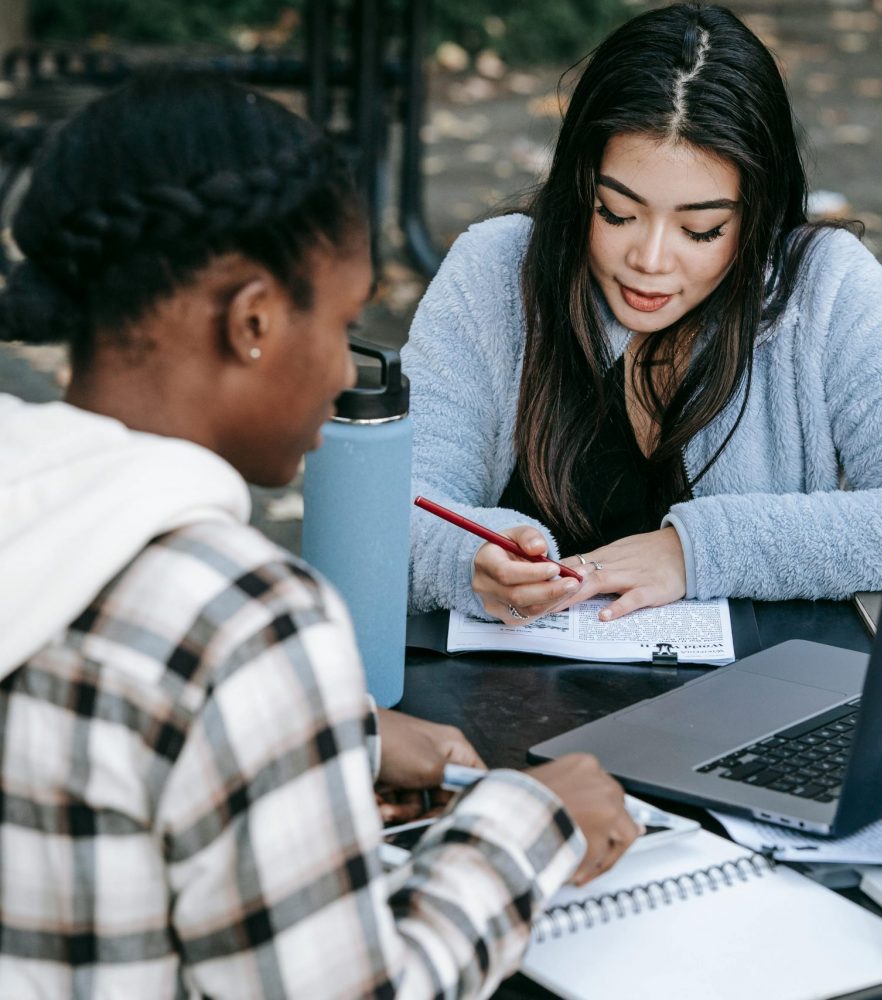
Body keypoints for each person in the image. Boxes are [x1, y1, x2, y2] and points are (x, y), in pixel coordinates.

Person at [0, 72, 639, 998]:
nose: (346, 367)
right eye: (342, 324)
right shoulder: (244, 618)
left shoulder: (32, 506)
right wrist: (528, 825)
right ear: (252, 319)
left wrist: (337, 736)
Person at [404, 2, 882, 627]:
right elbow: (390, 508)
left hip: (751, 709)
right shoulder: (496, 272)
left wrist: (697, 552)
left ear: (757, 215)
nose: (651, 260)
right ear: (580, 186)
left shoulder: (824, 288)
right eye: (617, 213)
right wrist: (469, 557)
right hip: (502, 708)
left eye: (702, 228)